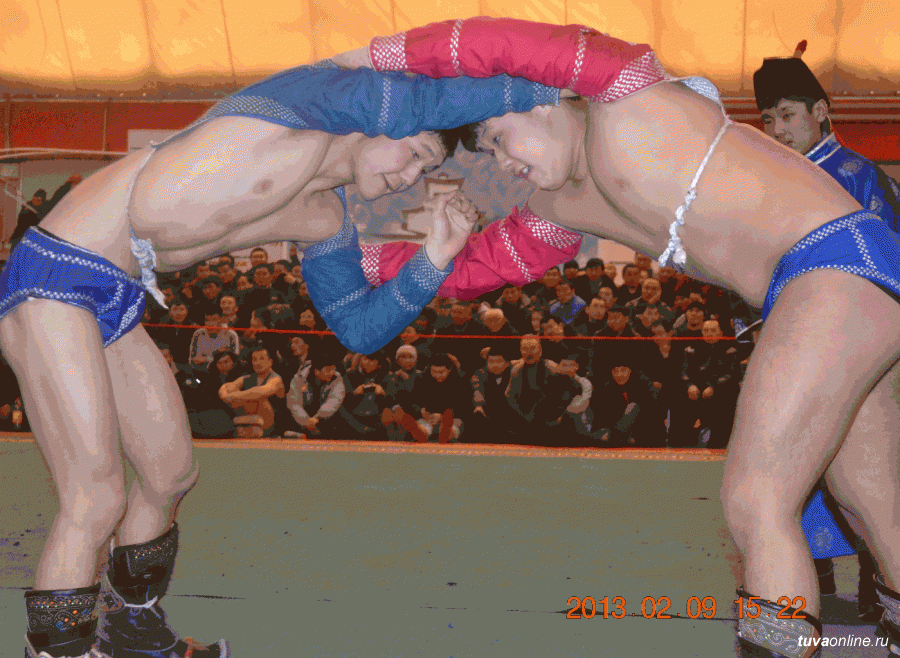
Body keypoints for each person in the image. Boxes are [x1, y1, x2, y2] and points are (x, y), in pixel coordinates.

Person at [347, 17, 900, 654]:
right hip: (846, 282)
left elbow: (518, 44)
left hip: (833, 267)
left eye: (499, 138)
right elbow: (480, 266)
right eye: (489, 153)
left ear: (547, 97)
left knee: (759, 499)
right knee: (872, 502)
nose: (504, 163)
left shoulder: (626, 100)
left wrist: (370, 56)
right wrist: (353, 259)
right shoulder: (561, 206)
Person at [0, 61, 563, 658]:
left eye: (425, 171)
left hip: (112, 297)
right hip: (55, 275)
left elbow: (358, 329)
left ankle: (131, 632)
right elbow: (418, 87)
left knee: (171, 476)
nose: (409, 177)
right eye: (416, 152)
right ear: (385, 119)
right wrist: (562, 82)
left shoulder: (324, 218)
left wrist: (434, 260)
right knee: (95, 498)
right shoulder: (288, 120)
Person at [754, 41, 900, 624]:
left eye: (787, 115)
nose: (777, 130)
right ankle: (805, 583)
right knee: (789, 464)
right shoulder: (767, 184)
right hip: (789, 346)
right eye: (768, 119)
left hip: (856, 350)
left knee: (866, 467)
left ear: (820, 112)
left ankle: (877, 581)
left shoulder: (859, 176)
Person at [218, 347, 285, 438]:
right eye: (254, 359)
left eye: (261, 359)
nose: (257, 363)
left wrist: (233, 396)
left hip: (271, 425)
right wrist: (225, 395)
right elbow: (225, 387)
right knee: (238, 397)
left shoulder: (276, 379)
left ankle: (241, 425)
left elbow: (261, 391)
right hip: (253, 421)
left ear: (270, 361)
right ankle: (245, 425)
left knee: (255, 397)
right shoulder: (246, 378)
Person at [285, 343, 346, 438]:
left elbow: (334, 399)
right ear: (317, 371)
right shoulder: (300, 377)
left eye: (333, 369)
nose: (332, 372)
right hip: (302, 418)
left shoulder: (336, 378)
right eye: (328, 370)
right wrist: (305, 421)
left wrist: (318, 418)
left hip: (324, 418)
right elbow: (294, 402)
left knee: (340, 412)